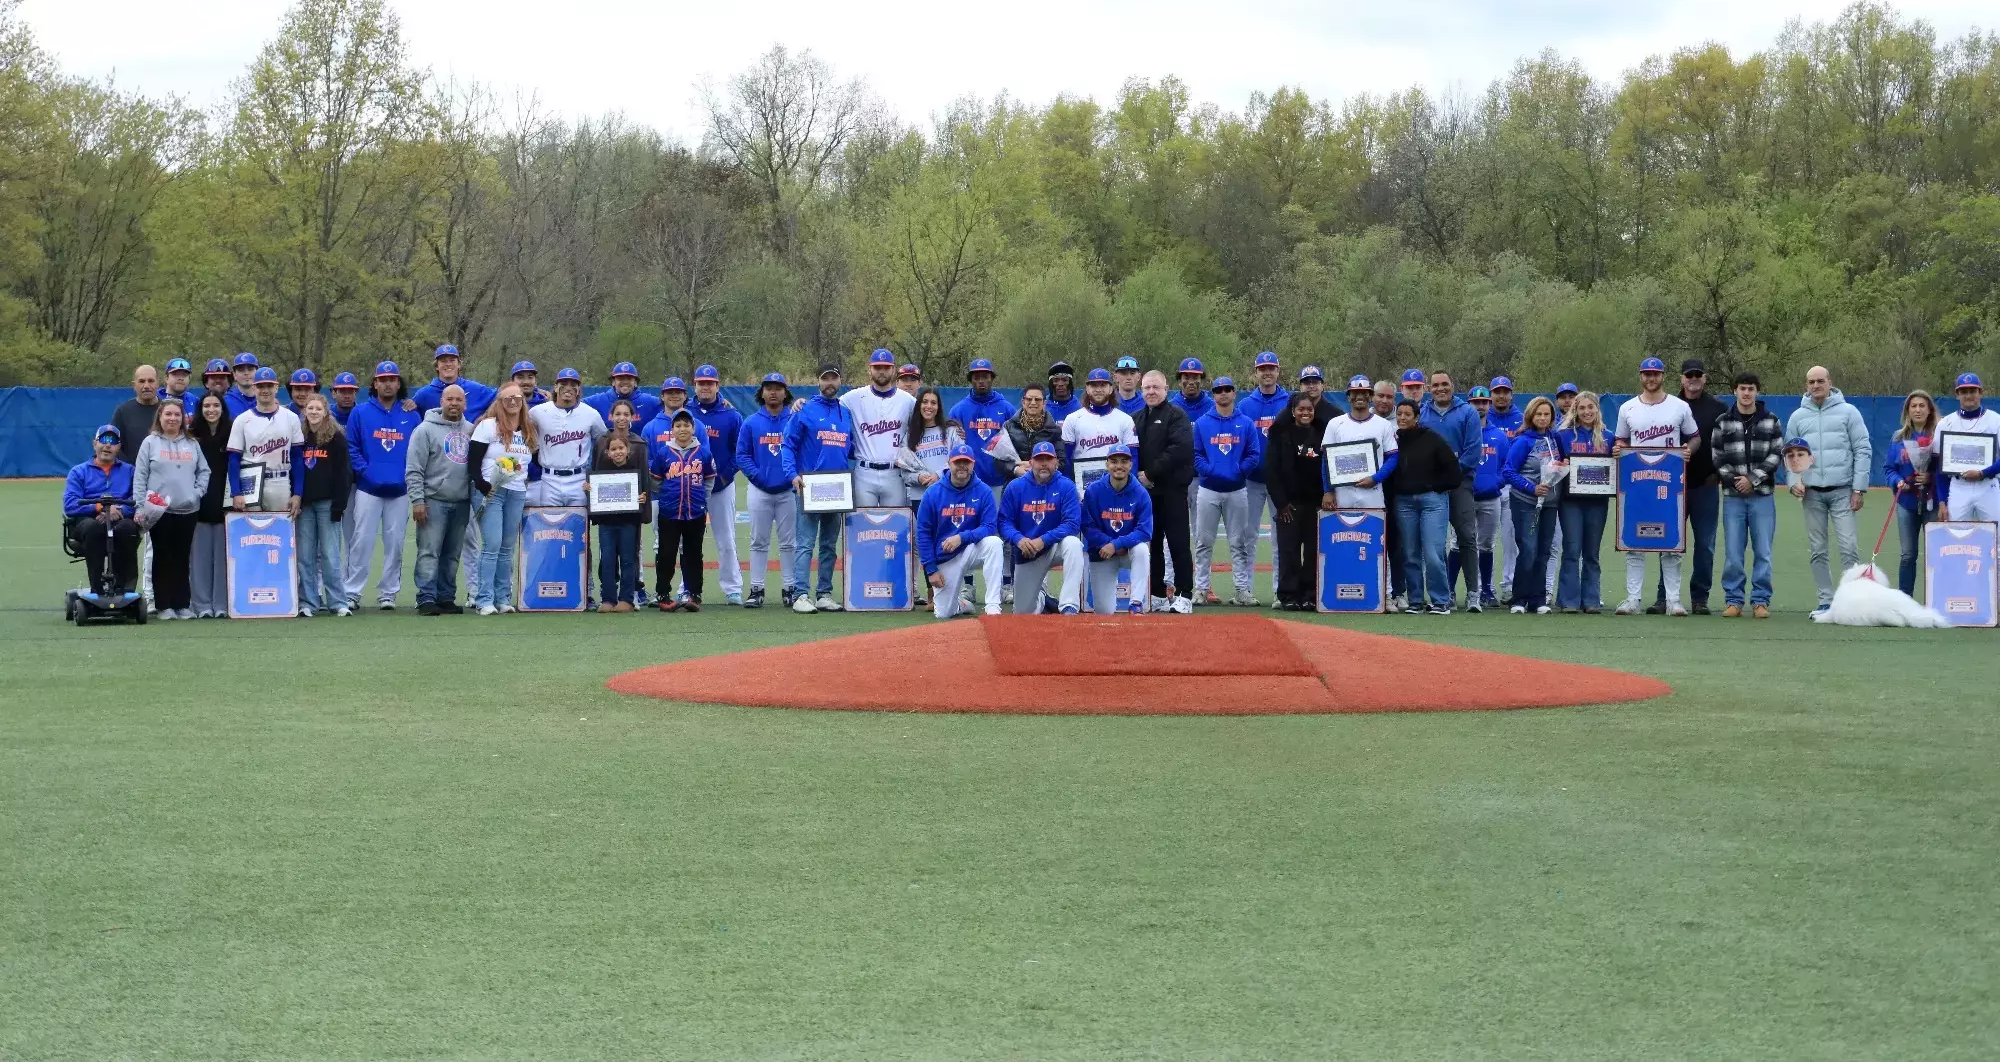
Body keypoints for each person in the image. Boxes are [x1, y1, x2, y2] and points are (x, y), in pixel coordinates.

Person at [1613, 357, 1700, 616]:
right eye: (1647, 374)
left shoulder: (1679, 406)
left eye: (1656, 374)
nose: (1651, 378)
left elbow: (1695, 437)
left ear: (1663, 376)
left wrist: (1688, 450)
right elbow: (1620, 440)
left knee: (1671, 542)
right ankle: (1633, 600)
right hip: (1638, 481)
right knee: (1633, 541)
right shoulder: (1627, 408)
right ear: (1641, 376)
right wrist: (1618, 449)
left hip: (1669, 480)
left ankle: (1673, 601)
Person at [1784, 365, 1871, 617]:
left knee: (1849, 547)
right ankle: (1826, 601)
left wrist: (1859, 488)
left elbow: (1862, 449)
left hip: (1843, 491)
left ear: (1830, 382)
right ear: (1806, 385)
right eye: (1811, 382)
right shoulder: (1798, 417)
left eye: (1820, 381)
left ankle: (1851, 602)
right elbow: (1790, 454)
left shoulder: (1849, 412)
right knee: (1818, 550)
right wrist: (1794, 481)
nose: (1816, 386)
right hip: (1812, 494)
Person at [1648, 359, 1728, 614]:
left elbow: (1726, 445)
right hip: (1671, 486)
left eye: (1698, 375)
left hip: (1705, 485)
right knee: (1668, 542)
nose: (1693, 379)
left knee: (1705, 544)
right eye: (1689, 375)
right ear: (1681, 378)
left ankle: (1699, 598)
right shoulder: (1668, 405)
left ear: (1704, 378)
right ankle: (1664, 597)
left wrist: (1719, 473)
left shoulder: (1718, 408)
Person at [342, 361, 423, 610]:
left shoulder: (411, 414)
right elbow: (352, 447)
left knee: (395, 543)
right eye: (383, 379)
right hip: (368, 488)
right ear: (375, 383)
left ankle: (388, 593)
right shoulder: (360, 412)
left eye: (392, 379)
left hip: (400, 490)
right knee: (361, 541)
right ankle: (352, 592)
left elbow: (419, 451)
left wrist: (407, 478)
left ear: (399, 384)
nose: (388, 384)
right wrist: (366, 472)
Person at [787, 364, 858, 613]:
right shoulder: (804, 409)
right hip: (810, 485)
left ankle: (824, 594)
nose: (829, 383)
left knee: (829, 544)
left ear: (840, 381)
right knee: (806, 543)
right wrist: (792, 475)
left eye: (833, 378)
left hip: (837, 487)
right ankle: (800, 594)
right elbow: (788, 445)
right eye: (825, 378)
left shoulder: (845, 413)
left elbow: (850, 449)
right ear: (818, 381)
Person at [1711, 373, 1784, 618]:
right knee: (1733, 552)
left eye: (1751, 389)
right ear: (1735, 391)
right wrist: (1737, 481)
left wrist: (1752, 480)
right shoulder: (1723, 422)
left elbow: (1776, 454)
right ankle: (1734, 600)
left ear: (1757, 392)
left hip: (1762, 496)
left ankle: (1760, 601)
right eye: (1742, 388)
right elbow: (1717, 456)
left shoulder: (1771, 421)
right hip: (1733, 497)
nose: (1746, 393)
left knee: (1763, 551)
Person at [131, 400, 209, 619]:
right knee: (162, 557)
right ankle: (164, 605)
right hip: (159, 511)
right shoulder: (150, 442)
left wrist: (196, 493)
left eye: (177, 415)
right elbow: (140, 476)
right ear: (160, 417)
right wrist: (140, 505)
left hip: (187, 510)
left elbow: (204, 471)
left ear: (183, 418)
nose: (172, 418)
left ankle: (182, 604)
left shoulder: (192, 443)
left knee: (181, 557)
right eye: (168, 414)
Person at [1186, 377, 1259, 606]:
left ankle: (1242, 590)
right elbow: (1196, 454)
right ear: (1213, 394)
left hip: (1237, 490)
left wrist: (1239, 471)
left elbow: (1253, 454)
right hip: (1208, 489)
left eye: (1228, 389)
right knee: (1203, 542)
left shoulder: (1246, 423)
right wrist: (1210, 471)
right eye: (1218, 390)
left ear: (1234, 393)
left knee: (1239, 542)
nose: (1223, 393)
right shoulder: (1202, 423)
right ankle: (1201, 589)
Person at [468, 383, 536, 615]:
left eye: (517, 397)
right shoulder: (488, 426)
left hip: (516, 492)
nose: (513, 402)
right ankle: (484, 599)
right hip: (491, 491)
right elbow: (473, 462)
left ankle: (503, 598)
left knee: (507, 547)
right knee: (492, 545)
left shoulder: (527, 429)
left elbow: (529, 463)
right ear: (499, 402)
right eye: (507, 398)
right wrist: (482, 485)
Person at [406, 383, 474, 616]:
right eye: (449, 399)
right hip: (433, 500)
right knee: (429, 551)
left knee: (452, 554)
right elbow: (414, 469)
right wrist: (417, 500)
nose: (454, 403)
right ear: (441, 402)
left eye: (458, 400)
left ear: (465, 403)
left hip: (462, 501)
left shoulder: (471, 430)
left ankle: (446, 597)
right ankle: (426, 597)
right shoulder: (424, 430)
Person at [915, 445, 1006, 619]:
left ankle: (993, 606)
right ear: (949, 464)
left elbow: (989, 527)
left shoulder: (984, 491)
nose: (962, 466)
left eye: (966, 462)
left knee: (994, 543)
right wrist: (931, 570)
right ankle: (962, 604)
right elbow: (923, 533)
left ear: (973, 464)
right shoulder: (933, 493)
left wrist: (962, 537)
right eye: (958, 462)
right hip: (946, 555)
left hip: (972, 548)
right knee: (943, 613)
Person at [1388, 399, 1460, 614]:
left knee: (1433, 553)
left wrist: (1434, 487)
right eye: (1399, 414)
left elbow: (1454, 473)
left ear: (1417, 417)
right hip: (1404, 503)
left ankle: (1440, 600)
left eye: (1407, 414)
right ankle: (1416, 600)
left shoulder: (1432, 438)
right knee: (1410, 553)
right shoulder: (1393, 440)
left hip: (1432, 502)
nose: (1402, 418)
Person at [999, 441, 1086, 614]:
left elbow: (1072, 524)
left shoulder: (1066, 485)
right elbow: (1004, 522)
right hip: (1028, 551)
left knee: (1073, 544)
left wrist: (1043, 540)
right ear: (1031, 462)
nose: (1044, 463)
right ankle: (1042, 600)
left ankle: (1069, 605)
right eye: (1039, 459)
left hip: (1055, 546)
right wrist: (1019, 539)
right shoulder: (1015, 487)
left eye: (1048, 459)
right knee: (1023, 613)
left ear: (1056, 462)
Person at [735, 373, 798, 610]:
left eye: (778, 388)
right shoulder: (751, 422)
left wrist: (791, 476)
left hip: (788, 490)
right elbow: (742, 455)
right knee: (758, 541)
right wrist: (758, 476)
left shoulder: (794, 420)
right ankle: (756, 589)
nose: (773, 392)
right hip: (759, 490)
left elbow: (802, 451)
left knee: (788, 542)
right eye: (768, 388)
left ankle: (790, 588)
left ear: (785, 393)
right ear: (761, 393)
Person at [1420, 372, 1483, 607]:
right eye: (1435, 385)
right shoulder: (1422, 412)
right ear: (1429, 388)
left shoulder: (1468, 412)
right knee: (1435, 542)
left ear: (1452, 385)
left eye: (1445, 384)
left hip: (1459, 485)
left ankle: (1473, 593)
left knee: (1467, 537)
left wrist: (1449, 475)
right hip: (1431, 488)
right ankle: (1444, 594)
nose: (1441, 389)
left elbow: (1472, 451)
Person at [1135, 370, 1195, 614]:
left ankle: (1184, 594)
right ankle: (1157, 593)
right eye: (1147, 388)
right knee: (1153, 544)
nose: (1151, 392)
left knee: (1178, 543)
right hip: (1147, 494)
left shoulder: (1177, 415)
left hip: (1173, 490)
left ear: (1166, 389)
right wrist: (1138, 477)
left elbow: (1179, 449)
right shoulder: (1137, 418)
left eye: (1155, 387)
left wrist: (1150, 474)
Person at [1264, 392, 1330, 610]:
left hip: (1314, 504)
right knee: (1289, 551)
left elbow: (1328, 468)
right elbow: (1271, 471)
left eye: (1309, 409)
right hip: (1289, 505)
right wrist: (1281, 503)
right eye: (1301, 409)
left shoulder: (1322, 434)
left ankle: (1310, 595)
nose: (1305, 413)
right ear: (1293, 411)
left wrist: (1325, 496)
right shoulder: (1280, 434)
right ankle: (1288, 595)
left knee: (1312, 552)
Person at [1502, 396, 1565, 615]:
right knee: (1529, 550)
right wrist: (1531, 488)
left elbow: (1560, 464)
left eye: (1547, 414)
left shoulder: (1555, 438)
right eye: (1538, 414)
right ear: (1530, 416)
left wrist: (1563, 465)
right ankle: (1519, 598)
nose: (1542, 418)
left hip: (1550, 504)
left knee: (1544, 551)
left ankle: (1538, 600)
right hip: (1525, 502)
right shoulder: (1523, 440)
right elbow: (1508, 471)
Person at [64, 426, 140, 599]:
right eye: (103, 440)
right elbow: (70, 505)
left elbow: (138, 499)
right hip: (87, 520)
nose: (107, 445)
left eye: (113, 441)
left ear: (118, 447)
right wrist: (100, 507)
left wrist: (119, 510)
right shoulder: (78, 472)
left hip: (119, 517)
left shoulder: (130, 471)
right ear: (94, 444)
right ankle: (96, 589)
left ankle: (123, 589)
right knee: (94, 529)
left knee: (127, 529)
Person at [1554, 391, 1613, 613]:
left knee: (1592, 552)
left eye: (1591, 407)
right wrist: (1561, 465)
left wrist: (1619, 453)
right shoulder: (1563, 435)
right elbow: (1554, 465)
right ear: (1575, 411)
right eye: (1582, 408)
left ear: (1597, 409)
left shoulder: (1609, 437)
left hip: (1598, 502)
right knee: (1571, 549)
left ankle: (1591, 599)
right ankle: (1568, 600)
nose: (1587, 412)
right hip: (1571, 502)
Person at [691, 365, 745, 604]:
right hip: (691, 486)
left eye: (709, 383)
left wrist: (725, 475)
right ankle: (687, 586)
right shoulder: (685, 412)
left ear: (717, 385)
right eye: (701, 383)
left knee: (726, 539)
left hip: (721, 486)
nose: (705, 387)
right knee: (689, 540)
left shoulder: (731, 415)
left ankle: (732, 588)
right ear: (695, 385)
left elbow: (741, 451)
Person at [295, 394, 353, 617]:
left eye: (318, 408)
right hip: (305, 505)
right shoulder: (299, 436)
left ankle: (338, 602)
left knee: (330, 555)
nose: (314, 412)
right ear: (305, 411)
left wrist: (339, 504)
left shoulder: (336, 437)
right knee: (305, 556)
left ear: (326, 412)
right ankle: (308, 602)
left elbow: (344, 473)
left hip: (328, 504)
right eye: (310, 408)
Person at [1450, 386, 1505, 612]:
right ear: (1468, 405)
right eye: (1475, 402)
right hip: (1464, 495)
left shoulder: (1499, 435)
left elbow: (1506, 466)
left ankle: (1486, 590)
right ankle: (1450, 590)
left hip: (1490, 498)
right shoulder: (1462, 432)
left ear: (1489, 405)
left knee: (1486, 545)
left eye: (1484, 402)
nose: (1480, 406)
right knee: (1457, 542)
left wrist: (1495, 483)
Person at [652, 409, 712, 613]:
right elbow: (656, 482)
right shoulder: (664, 453)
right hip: (669, 513)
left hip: (695, 512)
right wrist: (668, 497)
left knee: (693, 554)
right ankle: (663, 594)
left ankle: (694, 594)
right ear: (672, 429)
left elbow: (709, 481)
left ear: (693, 428)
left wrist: (701, 500)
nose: (682, 429)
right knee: (666, 553)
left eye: (686, 425)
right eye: (678, 425)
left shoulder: (703, 453)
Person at [1081, 445, 1153, 614]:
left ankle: (1136, 603)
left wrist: (1117, 544)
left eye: (1124, 462)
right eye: (1114, 462)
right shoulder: (1094, 490)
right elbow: (1087, 526)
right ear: (1107, 464)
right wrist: (1109, 544)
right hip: (1102, 553)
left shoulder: (1141, 493)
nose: (1119, 466)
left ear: (1130, 465)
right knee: (1104, 612)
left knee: (1142, 550)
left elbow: (1145, 531)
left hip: (1128, 551)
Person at [589, 424, 653, 613]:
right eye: (613, 449)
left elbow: (644, 492)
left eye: (621, 448)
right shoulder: (601, 471)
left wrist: (642, 498)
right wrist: (588, 489)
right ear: (607, 452)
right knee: (607, 560)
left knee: (628, 560)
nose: (618, 452)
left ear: (628, 450)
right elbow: (594, 494)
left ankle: (626, 598)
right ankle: (608, 598)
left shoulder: (635, 471)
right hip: (607, 523)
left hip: (628, 522)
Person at [844, 348, 919, 508]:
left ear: (893, 370)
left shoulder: (908, 401)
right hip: (864, 472)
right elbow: (828, 406)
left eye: (886, 367)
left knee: (896, 522)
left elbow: (929, 422)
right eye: (877, 367)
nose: (882, 371)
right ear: (869, 370)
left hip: (895, 473)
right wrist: (802, 403)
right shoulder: (854, 397)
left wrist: (950, 426)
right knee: (862, 522)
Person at [1884, 390, 1941, 596]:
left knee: (1935, 555)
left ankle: (1936, 599)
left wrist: (1931, 477)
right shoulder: (1898, 438)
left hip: (1933, 503)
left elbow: (1947, 469)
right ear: (1907, 411)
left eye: (1922, 406)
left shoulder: (1938, 436)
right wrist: (1898, 481)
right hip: (1906, 503)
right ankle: (1905, 599)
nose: (1917, 410)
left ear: (1930, 410)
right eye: (1913, 406)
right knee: (1908, 555)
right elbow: (1889, 469)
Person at [226, 367, 304, 515]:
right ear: (254, 388)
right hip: (250, 481)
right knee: (251, 528)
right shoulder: (242, 420)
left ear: (276, 388)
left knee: (280, 528)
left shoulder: (291, 418)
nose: (265, 390)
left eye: (269, 386)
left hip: (279, 479)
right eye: (261, 386)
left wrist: (297, 493)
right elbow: (233, 458)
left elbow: (297, 457)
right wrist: (236, 492)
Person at [527, 367, 608, 508]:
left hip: (579, 478)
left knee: (578, 520)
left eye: (573, 384)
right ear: (555, 387)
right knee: (549, 521)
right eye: (563, 384)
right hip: (548, 479)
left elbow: (604, 441)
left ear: (578, 389)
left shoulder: (591, 414)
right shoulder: (537, 412)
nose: (568, 388)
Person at [188, 394, 233, 618]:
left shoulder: (233, 433)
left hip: (226, 502)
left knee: (224, 558)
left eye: (216, 405)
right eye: (206, 405)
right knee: (200, 559)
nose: (211, 409)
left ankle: (222, 604)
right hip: (199, 503)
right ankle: (202, 605)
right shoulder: (191, 436)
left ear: (223, 409)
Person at [1935, 373, 2000, 524]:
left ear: (1980, 392)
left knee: (1996, 534)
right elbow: (1939, 467)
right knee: (1956, 534)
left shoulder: (1996, 420)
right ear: (1957, 394)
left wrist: (1983, 473)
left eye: (1973, 391)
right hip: (1959, 486)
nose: (1969, 395)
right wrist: (1942, 501)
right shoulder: (1945, 423)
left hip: (1988, 485)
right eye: (1964, 391)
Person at [1372, 378, 1406, 608]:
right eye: (1380, 396)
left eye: (1389, 397)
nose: (1384, 400)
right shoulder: (1364, 418)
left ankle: (1398, 591)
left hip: (1396, 487)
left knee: (1396, 542)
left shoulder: (1402, 419)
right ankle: (1373, 589)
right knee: (1371, 538)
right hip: (1368, 486)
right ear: (1373, 397)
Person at [1060, 368, 1138, 468]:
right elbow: (1065, 458)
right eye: (1094, 385)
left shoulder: (1125, 420)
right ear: (1087, 389)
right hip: (1082, 476)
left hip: (1115, 476)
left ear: (1111, 389)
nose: (1098, 390)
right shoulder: (1072, 419)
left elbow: (1133, 457)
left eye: (1103, 385)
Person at [413, 343, 498, 420]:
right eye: (443, 361)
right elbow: (409, 415)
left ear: (459, 364)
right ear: (436, 366)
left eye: (452, 360)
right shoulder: (424, 395)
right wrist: (408, 403)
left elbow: (501, 397)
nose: (448, 364)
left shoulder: (476, 389)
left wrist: (486, 419)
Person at [1005, 383, 1066, 478]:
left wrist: (1035, 466)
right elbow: (998, 460)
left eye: (1037, 399)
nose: (1033, 403)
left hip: (1045, 482)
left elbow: (1061, 462)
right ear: (1023, 402)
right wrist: (1015, 469)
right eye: (1029, 399)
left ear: (1044, 403)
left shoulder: (1054, 430)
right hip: (1015, 481)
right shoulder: (1009, 426)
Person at [584, 361, 663, 428]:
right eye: (620, 378)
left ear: (635, 382)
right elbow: (578, 406)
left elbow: (667, 406)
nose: (625, 382)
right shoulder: (598, 401)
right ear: (613, 382)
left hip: (640, 442)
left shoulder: (649, 402)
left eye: (629, 378)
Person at [110, 364, 161, 462]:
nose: (146, 386)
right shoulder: (123, 411)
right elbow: (114, 444)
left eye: (151, 381)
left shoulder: (168, 412)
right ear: (134, 385)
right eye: (141, 381)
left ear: (157, 384)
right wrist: (128, 468)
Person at [223, 353, 261, 418]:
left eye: (250, 369)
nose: (246, 373)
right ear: (234, 375)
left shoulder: (267, 399)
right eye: (241, 370)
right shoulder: (225, 401)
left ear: (257, 373)